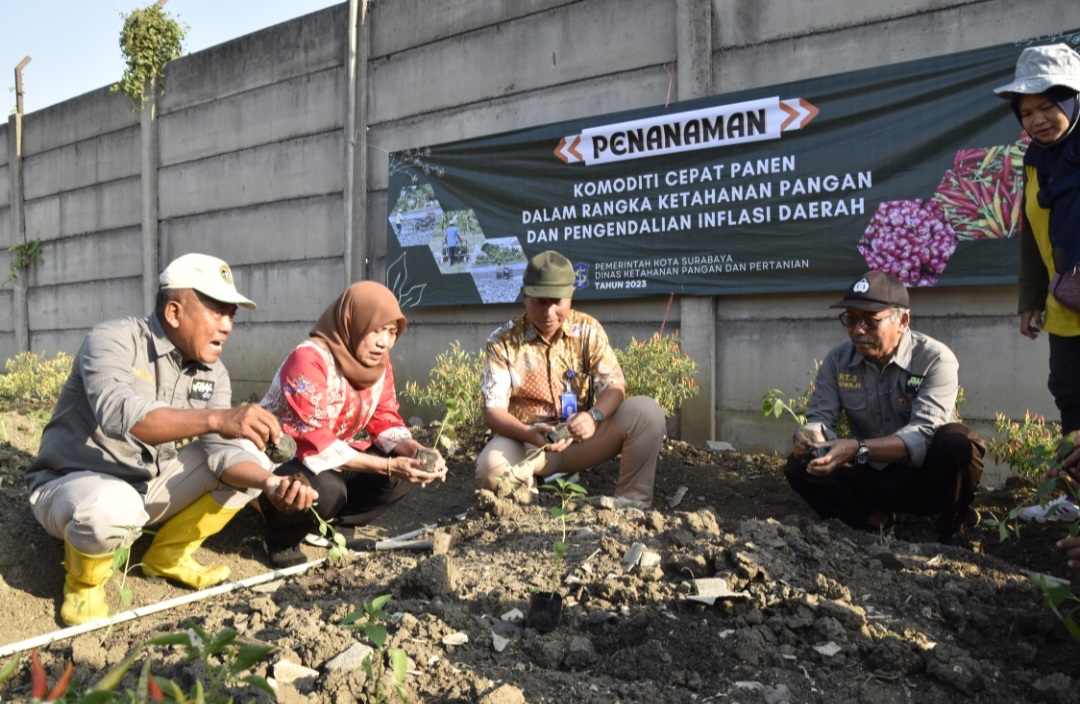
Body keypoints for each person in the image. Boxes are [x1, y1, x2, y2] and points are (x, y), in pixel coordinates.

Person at [27, 253, 317, 626]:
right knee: (113, 508)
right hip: (74, 487)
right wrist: (218, 417)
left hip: (145, 486)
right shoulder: (114, 340)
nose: (227, 326)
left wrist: (270, 484)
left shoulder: (213, 373)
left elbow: (219, 453)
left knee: (250, 458)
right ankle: (83, 587)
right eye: (217, 311)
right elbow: (119, 414)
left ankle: (168, 555)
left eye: (232, 314)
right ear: (175, 312)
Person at [782, 270, 985, 546]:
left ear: (902, 321)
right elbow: (820, 418)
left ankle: (950, 531)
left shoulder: (935, 360)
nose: (857, 330)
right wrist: (810, 435)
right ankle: (870, 520)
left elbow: (923, 434)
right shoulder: (837, 360)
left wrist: (857, 447)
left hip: (920, 478)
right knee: (799, 465)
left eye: (869, 321)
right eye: (851, 319)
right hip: (870, 476)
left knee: (960, 444)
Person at [257, 281, 448, 568]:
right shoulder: (308, 360)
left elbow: (384, 417)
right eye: (375, 330)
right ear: (352, 322)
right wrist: (387, 465)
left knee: (401, 473)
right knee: (329, 489)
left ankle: (329, 527)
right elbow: (314, 443)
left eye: (392, 331)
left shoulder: (378, 364)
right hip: (282, 462)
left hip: (333, 458)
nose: (384, 342)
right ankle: (279, 535)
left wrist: (414, 450)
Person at [475, 250, 665, 508]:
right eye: (539, 302)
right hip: (530, 445)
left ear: (571, 295)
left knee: (646, 412)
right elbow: (493, 410)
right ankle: (528, 500)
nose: (548, 312)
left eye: (557, 302)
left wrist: (594, 417)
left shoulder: (588, 331)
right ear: (524, 296)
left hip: (584, 441)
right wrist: (529, 433)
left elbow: (614, 385)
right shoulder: (503, 342)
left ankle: (631, 504)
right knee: (491, 468)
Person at [995, 43, 1080, 524]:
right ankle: (1074, 501)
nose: (1038, 120)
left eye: (1048, 106)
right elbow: (1033, 231)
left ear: (1072, 100)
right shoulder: (1035, 160)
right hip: (1066, 304)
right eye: (1026, 112)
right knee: (1070, 394)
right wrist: (1030, 296)